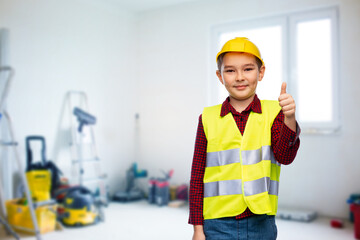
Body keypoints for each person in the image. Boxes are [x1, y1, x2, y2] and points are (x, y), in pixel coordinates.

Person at [188, 37, 300, 240]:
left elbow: (285, 156)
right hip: (216, 223)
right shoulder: (207, 118)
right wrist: (197, 229)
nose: (239, 77)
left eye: (248, 69)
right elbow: (197, 177)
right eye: (230, 70)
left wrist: (289, 118)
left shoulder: (275, 112)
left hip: (261, 221)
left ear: (261, 72)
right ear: (220, 76)